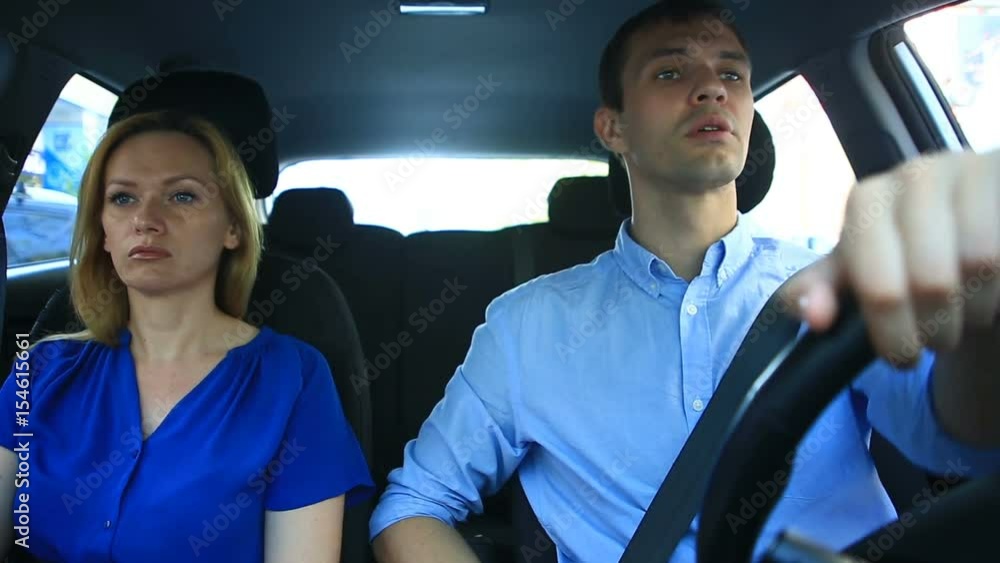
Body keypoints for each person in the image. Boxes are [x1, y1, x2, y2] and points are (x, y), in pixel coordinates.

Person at [368, 1, 1000, 561]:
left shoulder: (833, 283)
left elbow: (962, 450)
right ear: (612, 128)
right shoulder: (526, 327)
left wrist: (983, 320)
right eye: (671, 72)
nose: (712, 90)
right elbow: (412, 505)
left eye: (732, 74)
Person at [0, 110, 374, 562]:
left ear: (233, 228)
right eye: (122, 198)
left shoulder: (292, 379)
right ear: (103, 232)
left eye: (181, 195)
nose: (146, 219)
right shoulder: (41, 369)